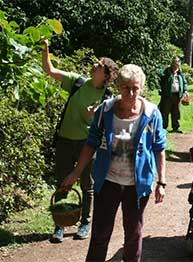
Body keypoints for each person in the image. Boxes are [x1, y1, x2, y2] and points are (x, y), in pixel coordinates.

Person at [61, 64, 167, 262]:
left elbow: (159, 149)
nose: (131, 92)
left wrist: (162, 182)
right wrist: (76, 173)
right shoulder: (106, 110)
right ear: (118, 87)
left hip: (137, 186)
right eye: (126, 87)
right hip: (107, 181)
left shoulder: (152, 114)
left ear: (141, 88)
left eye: (136, 88)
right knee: (100, 233)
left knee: (133, 235)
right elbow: (91, 142)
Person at [41, 39, 119, 243]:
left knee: (87, 185)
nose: (95, 65)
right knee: (62, 183)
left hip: (88, 144)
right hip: (65, 141)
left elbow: (107, 124)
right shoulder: (77, 82)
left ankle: (85, 223)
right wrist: (45, 48)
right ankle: (59, 224)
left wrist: (96, 115)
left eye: (100, 65)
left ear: (106, 76)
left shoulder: (107, 97)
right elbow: (49, 70)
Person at [158, 57, 188, 133]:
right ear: (172, 64)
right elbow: (160, 79)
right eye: (174, 64)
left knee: (176, 112)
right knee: (165, 111)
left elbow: (184, 83)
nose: (176, 66)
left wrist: (185, 90)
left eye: (177, 65)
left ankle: (176, 127)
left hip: (177, 95)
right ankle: (163, 128)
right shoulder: (166, 72)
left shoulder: (180, 73)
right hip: (167, 95)